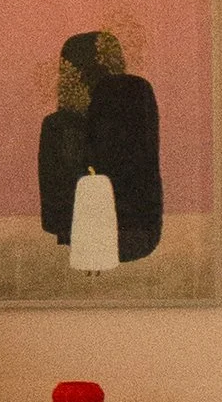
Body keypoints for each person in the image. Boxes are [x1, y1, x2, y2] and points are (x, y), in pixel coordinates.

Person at [36, 28, 163, 266]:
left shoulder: (60, 125)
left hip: (89, 238)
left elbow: (55, 213)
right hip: (142, 233)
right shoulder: (139, 95)